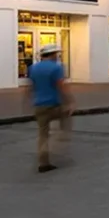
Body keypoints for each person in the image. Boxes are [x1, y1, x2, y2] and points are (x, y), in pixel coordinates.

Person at [25, 44, 74, 173]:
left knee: (43, 134)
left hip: (39, 105)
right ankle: (61, 139)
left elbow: (31, 86)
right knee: (65, 118)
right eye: (56, 54)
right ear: (52, 55)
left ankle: (43, 162)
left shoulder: (33, 68)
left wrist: (28, 100)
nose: (57, 56)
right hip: (54, 104)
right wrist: (69, 102)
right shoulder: (57, 68)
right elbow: (61, 86)